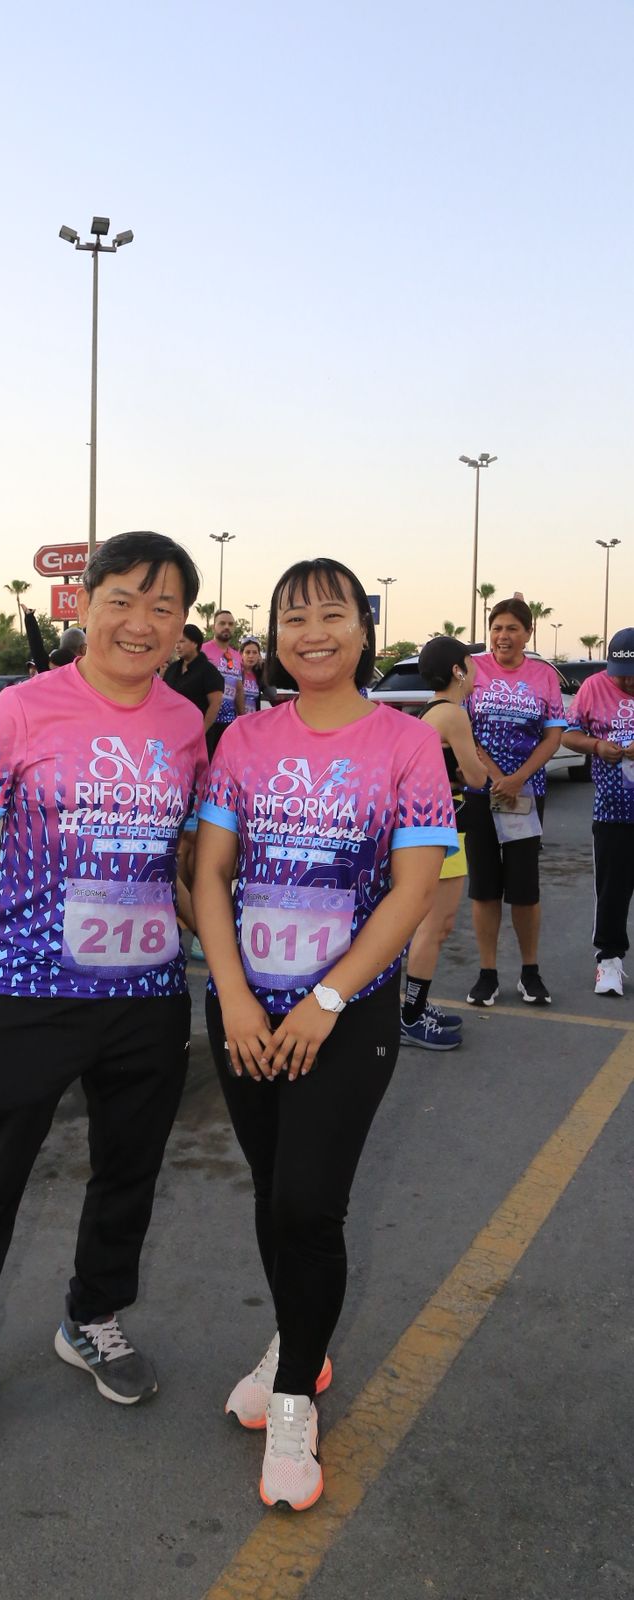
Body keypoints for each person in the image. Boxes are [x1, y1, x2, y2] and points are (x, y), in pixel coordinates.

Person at [0, 530, 208, 1450]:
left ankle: (93, 1316)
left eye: (163, 606)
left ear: (182, 624)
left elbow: (179, 858)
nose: (140, 622)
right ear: (84, 605)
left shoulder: (184, 724)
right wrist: (16, 930)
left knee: (130, 1168)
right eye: (122, 599)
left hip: (149, 993)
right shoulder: (17, 712)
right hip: (35, 992)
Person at [192, 557, 455, 1512]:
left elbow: (413, 889)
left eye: (332, 614)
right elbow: (210, 873)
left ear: (364, 631)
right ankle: (296, 1341)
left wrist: (328, 1001)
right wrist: (233, 997)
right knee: (274, 1196)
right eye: (294, 617)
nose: (313, 632)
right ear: (274, 638)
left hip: (346, 1014)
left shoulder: (406, 743)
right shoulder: (245, 739)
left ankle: (295, 1395)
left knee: (310, 1205)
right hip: (247, 1010)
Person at [463, 598, 565, 1007]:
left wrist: (519, 778)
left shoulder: (544, 676)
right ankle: (487, 974)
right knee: (484, 888)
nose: (502, 636)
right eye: (496, 628)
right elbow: (463, 730)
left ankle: (530, 972)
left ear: (527, 633)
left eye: (511, 629)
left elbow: (553, 736)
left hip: (526, 795)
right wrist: (494, 776)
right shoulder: (472, 670)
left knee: (524, 891)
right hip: (480, 793)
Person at [400, 637, 489, 1049]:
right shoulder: (452, 713)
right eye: (470, 661)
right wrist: (473, 768)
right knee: (435, 925)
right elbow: (477, 777)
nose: (475, 669)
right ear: (458, 669)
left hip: (432, 825)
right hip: (440, 827)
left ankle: (415, 1006)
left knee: (434, 924)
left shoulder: (431, 709)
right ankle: (411, 1017)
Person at [561, 628, 634, 996]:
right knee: (612, 890)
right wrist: (596, 746)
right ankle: (609, 960)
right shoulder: (593, 687)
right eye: (621, 674)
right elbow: (567, 734)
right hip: (612, 812)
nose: (626, 681)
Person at [162, 624, 225, 734]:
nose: (177, 646)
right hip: (171, 730)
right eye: (176, 642)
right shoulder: (172, 669)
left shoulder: (209, 671)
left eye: (182, 642)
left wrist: (201, 731)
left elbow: (215, 704)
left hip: (197, 732)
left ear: (195, 643)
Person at [202, 609, 242, 753]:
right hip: (206, 721)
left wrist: (242, 718)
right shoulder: (202, 651)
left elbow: (239, 689)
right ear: (214, 627)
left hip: (229, 723)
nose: (227, 627)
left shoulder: (237, 656)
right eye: (222, 623)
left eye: (230, 624)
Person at [234, 636, 278, 716]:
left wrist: (264, 670)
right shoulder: (235, 672)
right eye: (247, 652)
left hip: (253, 719)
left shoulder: (258, 673)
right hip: (236, 719)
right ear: (241, 654)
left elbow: (272, 694)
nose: (251, 656)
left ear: (259, 655)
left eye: (255, 652)